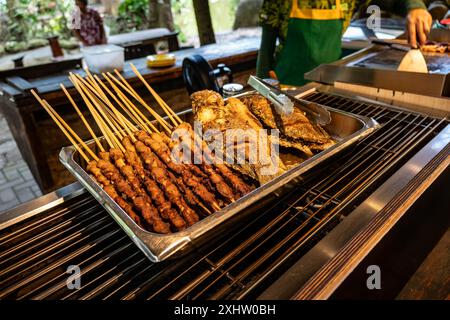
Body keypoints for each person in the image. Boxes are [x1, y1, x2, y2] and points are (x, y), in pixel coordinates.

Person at [256, 0, 433, 86]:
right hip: (287, 87)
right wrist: (262, 87)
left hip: (329, 88)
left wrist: (415, 6)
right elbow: (265, 50)